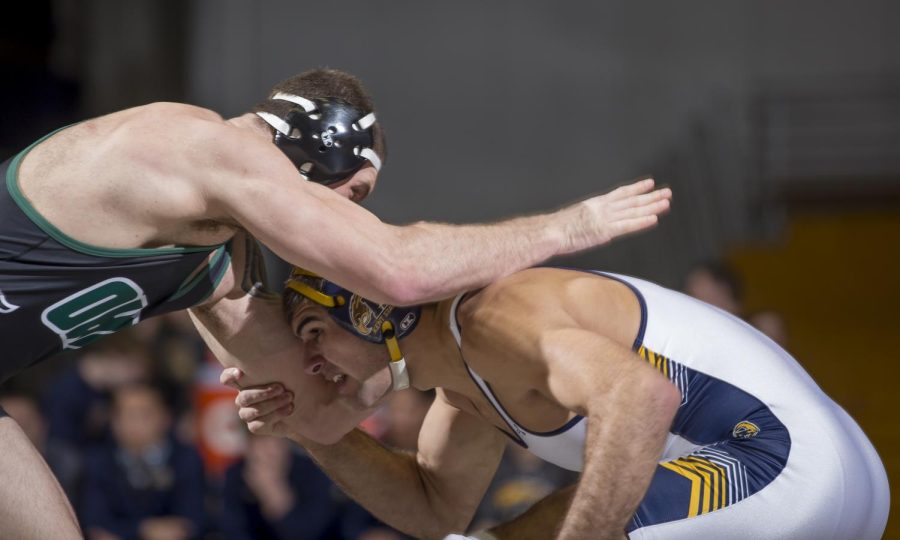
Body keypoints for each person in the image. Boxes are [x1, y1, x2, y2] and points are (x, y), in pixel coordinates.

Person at [0, 65, 672, 538]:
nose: (346, 225)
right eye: (353, 200)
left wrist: (355, 379)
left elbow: (320, 414)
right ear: (319, 145)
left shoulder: (213, 262)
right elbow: (400, 274)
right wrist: (566, 228)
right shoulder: (198, 145)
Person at [223, 266, 890, 540]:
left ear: (369, 313)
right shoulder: (463, 379)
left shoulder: (496, 318)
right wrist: (311, 431)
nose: (314, 368)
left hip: (779, 463)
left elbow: (639, 397)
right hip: (823, 475)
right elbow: (430, 510)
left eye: (315, 339)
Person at [80, 382, 206, 540]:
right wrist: (145, 529)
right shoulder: (98, 462)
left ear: (165, 417)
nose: (135, 423)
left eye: (144, 414)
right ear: (113, 420)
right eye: (127, 414)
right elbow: (96, 525)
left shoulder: (186, 459)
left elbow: (192, 522)